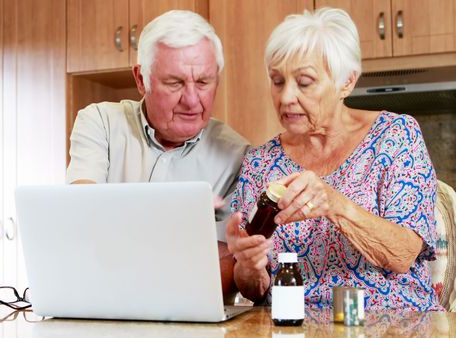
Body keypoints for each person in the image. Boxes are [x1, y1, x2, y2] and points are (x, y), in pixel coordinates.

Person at [225, 7, 443, 311]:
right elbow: (254, 290)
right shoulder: (260, 162)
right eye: (277, 81)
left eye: (304, 82)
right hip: (292, 327)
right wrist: (248, 266)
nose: (286, 97)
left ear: (346, 82)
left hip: (392, 324)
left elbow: (404, 253)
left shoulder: (395, 136)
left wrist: (333, 203)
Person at [66, 10, 250, 301]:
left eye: (203, 82)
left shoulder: (238, 155)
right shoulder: (99, 122)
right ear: (142, 79)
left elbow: (228, 268)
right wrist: (179, 222)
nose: (192, 100)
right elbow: (82, 214)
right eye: (175, 83)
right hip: (99, 306)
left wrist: (118, 229)